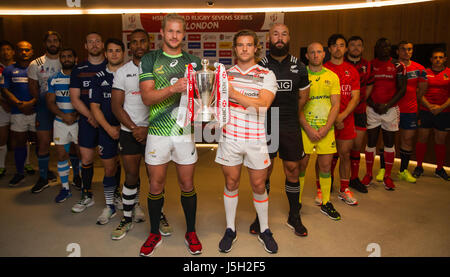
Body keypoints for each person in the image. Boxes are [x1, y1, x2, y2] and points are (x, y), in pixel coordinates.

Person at [139, 14, 202, 256]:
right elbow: (147, 97)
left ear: (184, 34)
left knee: (187, 183)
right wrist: (174, 88)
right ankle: (154, 233)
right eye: (170, 31)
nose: (174, 35)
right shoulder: (150, 59)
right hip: (158, 132)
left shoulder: (193, 62)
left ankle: (191, 231)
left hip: (184, 132)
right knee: (156, 185)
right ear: (162, 33)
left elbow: (201, 97)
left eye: (179, 31)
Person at [216, 29, 278, 254]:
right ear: (234, 48)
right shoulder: (223, 74)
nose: (244, 48)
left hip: (256, 140)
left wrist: (233, 93)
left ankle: (265, 229)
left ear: (255, 48)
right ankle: (230, 229)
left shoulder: (266, 75)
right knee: (231, 183)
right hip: (229, 138)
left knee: (259, 185)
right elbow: (217, 104)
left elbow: (262, 105)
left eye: (248, 45)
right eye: (240, 45)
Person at [111, 29, 171, 240]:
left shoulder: (160, 68)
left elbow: (167, 101)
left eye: (142, 41)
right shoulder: (122, 72)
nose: (138, 45)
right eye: (134, 42)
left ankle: (159, 214)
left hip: (156, 131)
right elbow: (116, 106)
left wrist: (148, 128)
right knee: (131, 176)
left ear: (149, 43)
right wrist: (135, 128)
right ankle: (127, 218)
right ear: (130, 46)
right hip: (130, 132)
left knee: (156, 178)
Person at [254, 23, 310, 237]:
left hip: (289, 124)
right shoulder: (260, 65)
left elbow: (304, 96)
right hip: (265, 124)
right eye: (275, 34)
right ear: (269, 38)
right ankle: (260, 217)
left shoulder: (300, 66)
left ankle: (294, 215)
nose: (279, 38)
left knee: (292, 169)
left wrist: (291, 114)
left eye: (284, 34)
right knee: (263, 173)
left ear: (289, 38)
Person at [299, 42, 341, 220]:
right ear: (307, 56)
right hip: (304, 129)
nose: (315, 55)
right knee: (301, 166)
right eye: (312, 53)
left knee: (325, 167)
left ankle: (326, 202)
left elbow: (336, 104)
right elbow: (296, 105)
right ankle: (297, 202)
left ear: (324, 54)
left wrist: (325, 128)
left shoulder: (332, 76)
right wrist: (308, 128)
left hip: (326, 129)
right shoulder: (301, 76)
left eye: (319, 52)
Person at [361, 38, 407, 190]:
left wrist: (387, 105)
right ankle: (368, 174)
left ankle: (387, 176)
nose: (384, 49)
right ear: (376, 48)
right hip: (372, 109)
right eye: (380, 46)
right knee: (371, 142)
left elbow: (402, 89)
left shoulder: (398, 65)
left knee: (389, 143)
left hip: (391, 110)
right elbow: (365, 87)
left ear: (390, 48)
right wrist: (374, 105)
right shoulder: (370, 65)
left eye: (387, 46)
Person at [70, 32, 108, 213]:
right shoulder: (78, 69)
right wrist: (92, 116)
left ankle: (114, 194)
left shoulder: (111, 67)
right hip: (87, 121)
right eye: (90, 42)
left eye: (97, 41)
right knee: (86, 158)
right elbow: (75, 99)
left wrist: (102, 118)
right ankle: (87, 194)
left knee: (111, 160)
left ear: (102, 45)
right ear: (85, 46)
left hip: (108, 121)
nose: (94, 45)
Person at [322, 34, 360, 206]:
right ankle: (322, 188)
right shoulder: (322, 69)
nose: (338, 48)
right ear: (329, 49)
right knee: (324, 156)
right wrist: (332, 118)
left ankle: (344, 189)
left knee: (345, 154)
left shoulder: (352, 70)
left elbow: (355, 97)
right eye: (334, 45)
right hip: (325, 120)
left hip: (346, 120)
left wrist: (342, 116)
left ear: (345, 49)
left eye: (341, 45)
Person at [90, 38, 125, 225]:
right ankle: (110, 205)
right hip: (106, 129)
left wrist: (124, 127)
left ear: (123, 53)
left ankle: (133, 204)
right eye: (110, 51)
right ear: (105, 54)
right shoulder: (98, 77)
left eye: (117, 50)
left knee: (131, 169)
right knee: (110, 168)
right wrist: (109, 128)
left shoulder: (131, 74)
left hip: (127, 129)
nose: (114, 54)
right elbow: (94, 107)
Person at [385, 41, 428, 183]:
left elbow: (422, 89)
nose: (406, 52)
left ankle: (403, 170)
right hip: (392, 108)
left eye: (409, 49)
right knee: (387, 140)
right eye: (403, 49)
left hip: (409, 110)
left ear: (412, 51)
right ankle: (384, 170)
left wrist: (413, 101)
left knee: (407, 139)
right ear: (397, 51)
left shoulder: (419, 68)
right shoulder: (391, 66)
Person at [28, 31, 63, 193]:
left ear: (59, 43)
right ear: (45, 44)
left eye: (55, 40)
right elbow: (33, 88)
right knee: (43, 143)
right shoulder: (35, 63)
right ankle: (43, 177)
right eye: (49, 41)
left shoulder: (66, 60)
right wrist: (45, 102)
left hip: (64, 105)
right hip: (44, 107)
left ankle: (74, 176)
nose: (53, 43)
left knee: (69, 144)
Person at [46, 48, 81, 203]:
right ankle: (65, 188)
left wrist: (76, 115)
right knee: (61, 155)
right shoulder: (54, 79)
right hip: (61, 122)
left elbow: (87, 100)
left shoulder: (80, 76)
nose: (66, 59)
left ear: (75, 58)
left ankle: (81, 181)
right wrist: (64, 115)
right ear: (60, 59)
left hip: (79, 121)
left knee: (82, 154)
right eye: (64, 56)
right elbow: (50, 102)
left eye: (69, 56)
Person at [1, 41, 37, 186]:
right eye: (21, 50)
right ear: (16, 52)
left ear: (32, 51)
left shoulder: (38, 69)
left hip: (35, 111)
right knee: (19, 143)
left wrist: (31, 103)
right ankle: (19, 173)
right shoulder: (9, 70)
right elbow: (5, 90)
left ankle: (45, 171)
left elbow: (43, 88)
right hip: (17, 112)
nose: (24, 52)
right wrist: (18, 104)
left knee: (41, 142)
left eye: (27, 50)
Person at [413, 48, 450, 180]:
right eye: (435, 57)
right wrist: (429, 106)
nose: (438, 60)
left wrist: (441, 108)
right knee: (422, 138)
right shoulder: (425, 73)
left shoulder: (449, 73)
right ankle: (419, 167)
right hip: (425, 111)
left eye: (440, 57)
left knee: (440, 141)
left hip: (444, 112)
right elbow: (419, 91)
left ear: (445, 59)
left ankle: (439, 169)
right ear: (431, 59)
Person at [345, 36, 371, 193]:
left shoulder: (367, 65)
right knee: (338, 147)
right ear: (347, 48)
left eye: (359, 45)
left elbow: (369, 86)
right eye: (352, 45)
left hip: (360, 111)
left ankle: (353, 178)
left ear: (363, 48)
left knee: (356, 146)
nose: (355, 48)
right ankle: (333, 178)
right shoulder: (342, 64)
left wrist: (359, 101)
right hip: (342, 112)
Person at [0, 40, 15, 178]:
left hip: (18, 107)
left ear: (13, 52)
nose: (5, 52)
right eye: (3, 50)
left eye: (8, 49)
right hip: (2, 107)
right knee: (2, 138)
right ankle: (1, 166)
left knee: (22, 137)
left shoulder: (20, 67)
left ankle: (25, 164)